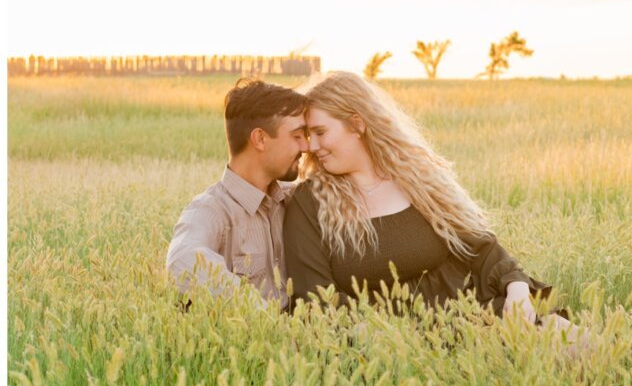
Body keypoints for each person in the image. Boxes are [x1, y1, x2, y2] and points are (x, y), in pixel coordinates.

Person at [283, 71, 573, 332]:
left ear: (357, 124)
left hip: (467, 316)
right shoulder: (309, 203)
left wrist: (519, 291)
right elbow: (314, 296)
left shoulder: (416, 178)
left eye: (320, 133)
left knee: (567, 335)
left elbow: (481, 248)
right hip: (390, 339)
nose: (311, 146)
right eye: (308, 135)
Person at [166, 78, 309, 309]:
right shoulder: (210, 210)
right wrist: (265, 320)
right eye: (297, 136)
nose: (306, 147)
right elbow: (183, 261)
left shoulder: (295, 200)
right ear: (260, 139)